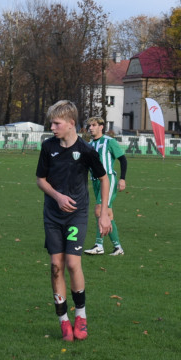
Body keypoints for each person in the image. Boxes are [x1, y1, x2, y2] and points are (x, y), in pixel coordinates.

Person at [36, 100, 112, 342]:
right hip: (52, 214)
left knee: (71, 263)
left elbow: (104, 179)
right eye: (51, 123)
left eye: (56, 123)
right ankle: (63, 320)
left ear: (70, 124)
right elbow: (41, 180)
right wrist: (57, 196)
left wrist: (103, 212)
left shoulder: (87, 150)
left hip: (77, 214)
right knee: (56, 266)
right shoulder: (48, 147)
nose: (52, 127)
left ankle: (81, 316)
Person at [83, 116, 128, 256]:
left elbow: (123, 159)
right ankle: (118, 248)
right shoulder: (89, 144)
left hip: (108, 179)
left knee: (99, 210)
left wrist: (122, 179)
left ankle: (99, 245)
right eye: (89, 125)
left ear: (101, 127)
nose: (90, 128)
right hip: (96, 181)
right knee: (108, 214)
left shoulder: (109, 141)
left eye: (94, 125)